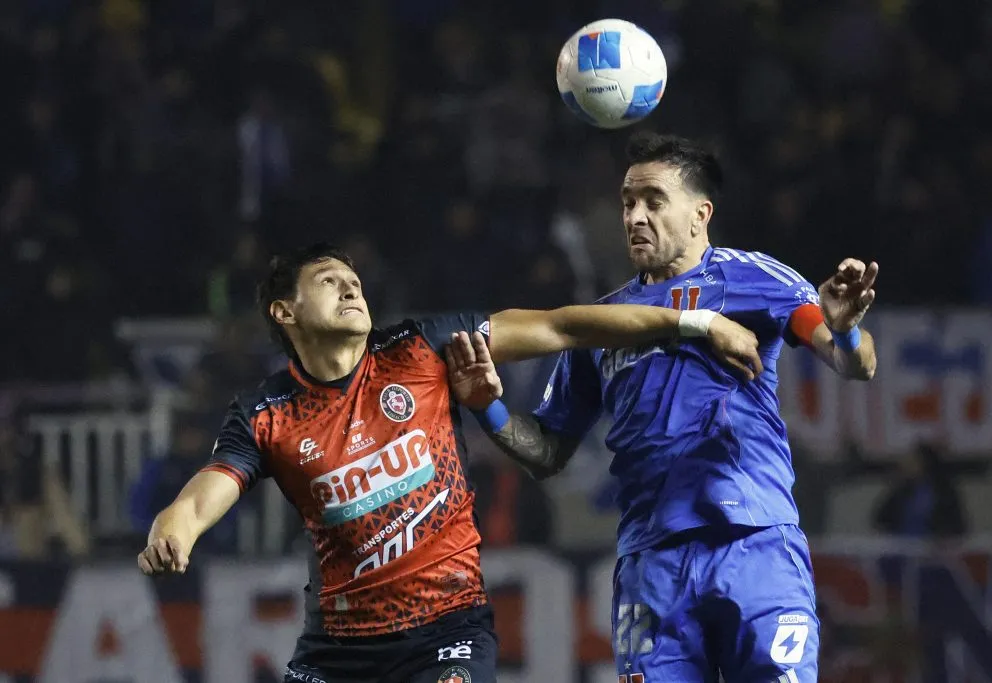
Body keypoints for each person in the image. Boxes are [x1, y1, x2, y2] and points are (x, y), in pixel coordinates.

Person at [136, 241, 762, 683]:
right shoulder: (267, 411)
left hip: (446, 631)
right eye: (329, 280)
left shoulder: (421, 349)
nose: (351, 286)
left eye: (353, 279)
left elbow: (563, 327)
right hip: (336, 652)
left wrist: (695, 322)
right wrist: (176, 529)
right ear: (285, 312)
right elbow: (207, 491)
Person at [447, 132, 879, 682]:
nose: (634, 216)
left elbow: (855, 365)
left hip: (755, 545)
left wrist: (844, 331)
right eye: (628, 202)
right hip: (651, 567)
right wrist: (490, 409)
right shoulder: (604, 321)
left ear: (700, 214)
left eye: (653, 201)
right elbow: (547, 451)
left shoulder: (755, 279)